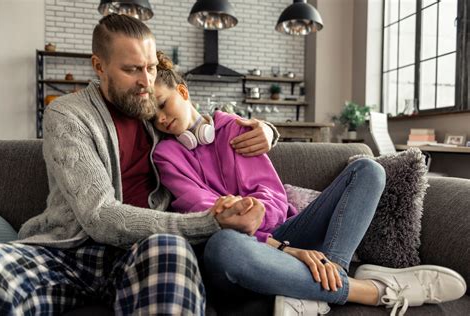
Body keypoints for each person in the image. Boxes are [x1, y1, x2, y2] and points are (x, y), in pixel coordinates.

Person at [0, 14, 279, 315]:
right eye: (131, 70)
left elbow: (205, 122)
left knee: (172, 252)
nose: (146, 81)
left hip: (143, 250)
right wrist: (208, 222)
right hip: (68, 252)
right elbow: (99, 216)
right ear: (99, 66)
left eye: (151, 68)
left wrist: (269, 130)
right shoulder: (67, 115)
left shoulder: (156, 112)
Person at [151, 53, 467, 316]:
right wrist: (285, 250)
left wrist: (263, 217)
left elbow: (271, 194)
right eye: (153, 118)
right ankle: (370, 290)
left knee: (369, 169)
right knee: (225, 246)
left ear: (182, 91)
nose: (161, 120)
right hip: (249, 250)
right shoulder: (165, 156)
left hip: (286, 231)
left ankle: (326, 279)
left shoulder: (237, 128)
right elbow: (207, 216)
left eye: (163, 105)